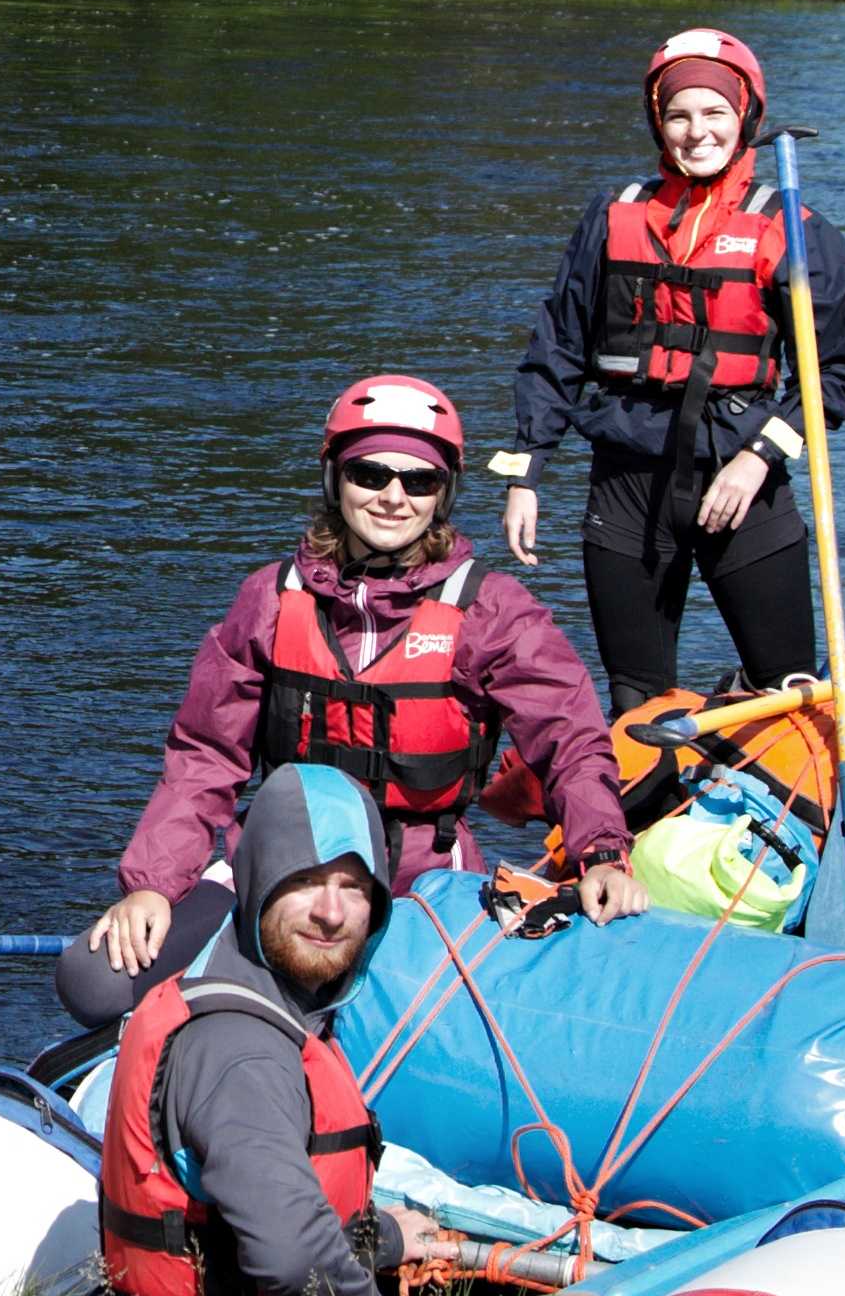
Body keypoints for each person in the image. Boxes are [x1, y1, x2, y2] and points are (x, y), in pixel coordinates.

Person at [64, 375, 643, 1032]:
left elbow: (570, 735)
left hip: (422, 876)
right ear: (335, 479)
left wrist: (601, 850)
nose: (393, 497)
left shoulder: (490, 610)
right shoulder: (271, 599)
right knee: (95, 983)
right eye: (370, 474)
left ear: (443, 493)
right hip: (284, 865)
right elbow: (205, 753)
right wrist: (154, 885)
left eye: (419, 481)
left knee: (395, 1019)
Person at [504, 26, 845, 705]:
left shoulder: (796, 230)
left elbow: (837, 375)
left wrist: (760, 454)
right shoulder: (613, 218)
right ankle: (651, 803)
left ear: (746, 117)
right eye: (678, 115)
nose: (696, 132)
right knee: (638, 695)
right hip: (626, 485)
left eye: (714, 114)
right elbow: (557, 345)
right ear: (657, 122)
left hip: (741, 481)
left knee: (785, 686)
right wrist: (528, 470)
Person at [96, 765, 425, 1296]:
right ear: (256, 881)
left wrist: (379, 1238)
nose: (331, 913)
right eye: (304, 881)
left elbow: (259, 1208)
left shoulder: (251, 990)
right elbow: (293, 1257)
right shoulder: (242, 1052)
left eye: (353, 887)